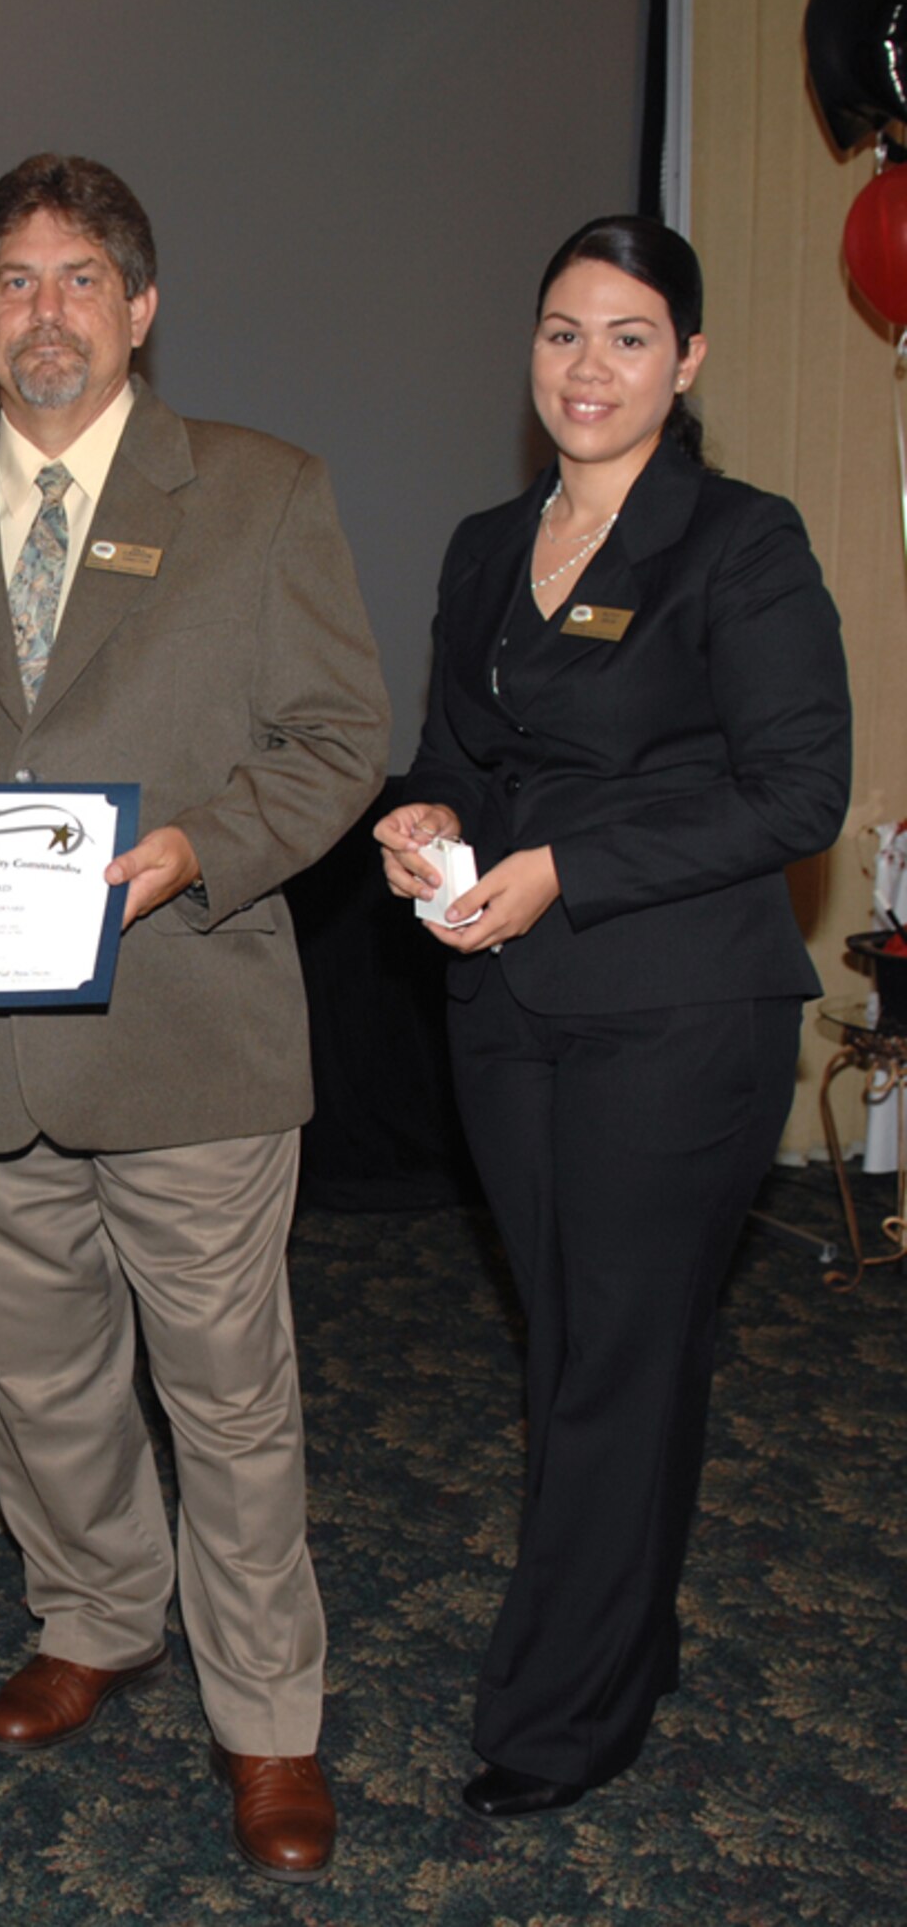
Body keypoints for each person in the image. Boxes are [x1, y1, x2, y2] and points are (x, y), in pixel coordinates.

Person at [0, 154, 388, 1883]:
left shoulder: (262, 491)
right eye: (13, 280)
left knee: (230, 1404)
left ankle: (269, 1721)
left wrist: (193, 853)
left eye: (82, 280)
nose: (45, 312)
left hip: (192, 1034)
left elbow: (334, 739)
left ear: (140, 309)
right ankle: (94, 1617)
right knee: (45, 1379)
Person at [375, 216, 851, 1819]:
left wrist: (566, 866)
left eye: (630, 336)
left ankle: (564, 1715)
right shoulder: (479, 546)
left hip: (681, 1007)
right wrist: (423, 821)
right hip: (506, 1000)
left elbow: (800, 794)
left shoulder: (741, 542)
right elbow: (458, 750)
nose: (591, 366)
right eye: (565, 332)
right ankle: (624, 1642)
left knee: (615, 1357)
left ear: (688, 361)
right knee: (585, 1341)